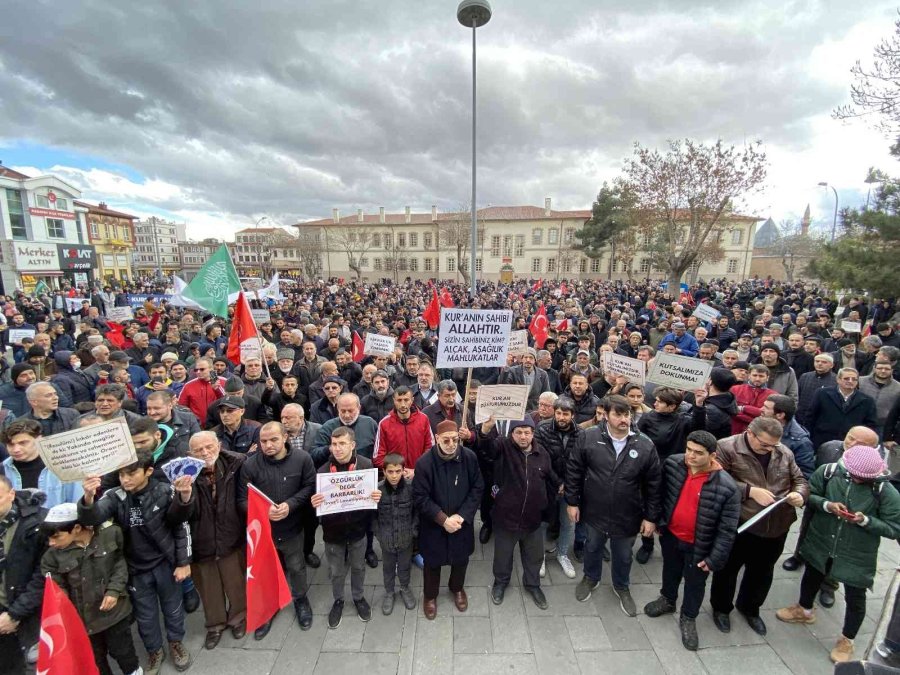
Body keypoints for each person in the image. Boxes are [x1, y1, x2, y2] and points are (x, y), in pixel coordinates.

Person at [776, 444, 900, 664]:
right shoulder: (828, 472)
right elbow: (809, 494)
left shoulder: (886, 492)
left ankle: (847, 639)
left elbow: (894, 528)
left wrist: (865, 521)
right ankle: (804, 609)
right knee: (812, 574)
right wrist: (827, 505)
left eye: (863, 479)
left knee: (855, 595)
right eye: (854, 476)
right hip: (822, 540)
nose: (857, 480)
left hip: (857, 552)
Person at [78, 450, 195, 674]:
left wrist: (183, 562)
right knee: (145, 615)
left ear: (148, 471)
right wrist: (88, 498)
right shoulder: (115, 496)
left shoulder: (165, 491)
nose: (125, 479)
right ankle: (154, 651)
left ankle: (175, 643)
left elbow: (181, 526)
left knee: (173, 608)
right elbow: (92, 517)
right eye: (121, 474)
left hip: (165, 564)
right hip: (135, 568)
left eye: (131, 474)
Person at [709, 417, 808, 637]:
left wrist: (799, 494)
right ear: (750, 433)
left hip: (777, 525)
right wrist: (749, 491)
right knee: (727, 570)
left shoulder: (783, 452)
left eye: (774, 445)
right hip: (741, 523)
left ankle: (750, 608)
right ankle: (721, 608)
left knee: (762, 572)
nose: (770, 449)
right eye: (764, 445)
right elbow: (714, 479)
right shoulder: (726, 447)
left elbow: (799, 479)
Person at [643, 431, 740, 651]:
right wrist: (657, 520)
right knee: (670, 570)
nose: (691, 456)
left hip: (700, 546)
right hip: (671, 536)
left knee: (695, 583)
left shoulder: (727, 487)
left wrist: (715, 559)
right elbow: (659, 494)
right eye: (688, 449)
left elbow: (727, 530)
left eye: (698, 453)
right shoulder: (673, 464)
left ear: (712, 456)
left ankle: (688, 617)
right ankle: (667, 599)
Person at [566, 394, 661, 616]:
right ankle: (591, 577)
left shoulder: (645, 444)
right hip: (594, 510)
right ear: (605, 416)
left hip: (628, 514)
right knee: (592, 547)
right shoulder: (588, 437)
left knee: (624, 554)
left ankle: (621, 586)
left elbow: (654, 484)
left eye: (627, 414)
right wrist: (572, 502)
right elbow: (574, 470)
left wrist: (651, 517)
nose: (624, 419)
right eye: (618, 414)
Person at [40, 503, 141, 675]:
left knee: (124, 652)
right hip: (84, 620)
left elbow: (119, 563)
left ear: (76, 528)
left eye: (57, 537)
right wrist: (62, 600)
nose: (52, 543)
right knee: (96, 660)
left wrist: (114, 591)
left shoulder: (110, 534)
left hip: (114, 613)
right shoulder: (52, 556)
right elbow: (54, 583)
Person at [237, 421, 316, 637]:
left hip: (293, 527)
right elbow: (242, 500)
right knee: (269, 570)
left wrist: (291, 504)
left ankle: (300, 599)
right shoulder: (250, 465)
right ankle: (270, 607)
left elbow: (310, 486)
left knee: (296, 567)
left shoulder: (302, 459)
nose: (268, 445)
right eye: (263, 441)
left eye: (273, 440)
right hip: (264, 532)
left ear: (285, 438)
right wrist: (264, 512)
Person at [479, 416, 559, 610]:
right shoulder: (503, 448)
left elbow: (549, 475)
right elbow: (487, 449)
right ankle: (500, 582)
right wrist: (485, 431)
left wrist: (560, 485)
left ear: (533, 433)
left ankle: (533, 585)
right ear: (511, 434)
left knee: (534, 556)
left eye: (527, 432)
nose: (523, 436)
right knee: (503, 556)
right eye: (519, 432)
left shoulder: (542, 453)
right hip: (506, 518)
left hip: (533, 519)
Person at [412, 420, 484, 620]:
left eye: (455, 439)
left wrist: (462, 515)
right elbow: (420, 497)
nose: (452, 444)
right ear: (437, 439)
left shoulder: (469, 458)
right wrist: (442, 519)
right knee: (432, 563)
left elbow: (478, 487)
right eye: (446, 440)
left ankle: (457, 588)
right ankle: (430, 596)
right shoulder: (424, 463)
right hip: (434, 525)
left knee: (461, 559)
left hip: (461, 523)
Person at [311, 427, 380, 629]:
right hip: (333, 533)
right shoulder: (322, 471)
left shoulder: (366, 465)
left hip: (359, 530)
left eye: (342, 443)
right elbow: (317, 503)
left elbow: (372, 494)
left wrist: (376, 496)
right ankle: (338, 599)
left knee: (358, 567)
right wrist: (314, 503)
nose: (338, 448)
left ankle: (358, 597)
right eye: (334, 444)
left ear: (353, 445)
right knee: (336, 571)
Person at [183, 431, 247, 650]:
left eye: (209, 447)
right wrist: (183, 496)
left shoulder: (236, 463)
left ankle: (238, 617)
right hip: (201, 540)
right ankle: (215, 624)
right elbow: (176, 515)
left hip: (230, 535)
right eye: (198, 450)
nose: (205, 452)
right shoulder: (181, 473)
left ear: (219, 445)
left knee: (235, 581)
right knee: (208, 587)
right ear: (189, 454)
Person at [0, 476, 48, 675]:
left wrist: (15, 614)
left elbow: (44, 574)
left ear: (11, 494)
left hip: (29, 616)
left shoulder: (37, 523)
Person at [534, 397, 582, 579]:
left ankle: (562, 554)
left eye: (566, 414)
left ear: (573, 415)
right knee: (543, 522)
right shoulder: (543, 428)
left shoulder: (580, 434)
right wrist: (557, 482)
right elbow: (541, 459)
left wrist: (568, 484)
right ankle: (540, 556)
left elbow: (580, 462)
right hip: (547, 484)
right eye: (559, 413)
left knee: (568, 522)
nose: (561, 417)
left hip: (570, 486)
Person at [0, 419, 82, 507]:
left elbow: (77, 503)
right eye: (11, 445)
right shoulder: (3, 469)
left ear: (39, 439)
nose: (16, 449)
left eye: (23, 443)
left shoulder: (66, 465)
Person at [375, 453, 418, 615]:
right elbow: (372, 516)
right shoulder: (377, 490)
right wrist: (379, 534)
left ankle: (405, 588)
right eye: (390, 472)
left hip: (406, 538)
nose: (394, 476)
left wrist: (413, 531)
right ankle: (389, 592)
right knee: (388, 567)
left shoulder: (411, 488)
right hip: (386, 539)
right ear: (384, 471)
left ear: (403, 470)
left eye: (398, 471)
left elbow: (417, 512)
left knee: (405, 566)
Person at [807, 368, 880, 449]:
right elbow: (811, 417)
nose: (850, 381)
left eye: (854, 379)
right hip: (822, 441)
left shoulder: (867, 400)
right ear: (838, 379)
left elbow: (871, 425)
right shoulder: (822, 394)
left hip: (852, 444)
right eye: (846, 378)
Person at [373, 386, 435, 471]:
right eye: (399, 400)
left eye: (406, 400)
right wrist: (397, 471)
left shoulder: (424, 419)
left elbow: (430, 449)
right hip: (395, 476)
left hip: (419, 473)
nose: (402, 404)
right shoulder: (384, 424)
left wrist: (417, 470)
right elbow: (378, 457)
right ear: (394, 400)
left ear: (412, 400)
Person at [177, 358, 226, 426]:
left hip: (219, 424)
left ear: (211, 369)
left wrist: (217, 390)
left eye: (202, 369)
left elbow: (228, 401)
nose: (198, 372)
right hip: (196, 425)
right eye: (196, 370)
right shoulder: (188, 385)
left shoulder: (224, 382)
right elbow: (181, 406)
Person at [730, 364, 776, 435]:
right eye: (754, 375)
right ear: (749, 376)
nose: (757, 379)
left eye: (761, 376)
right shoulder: (735, 389)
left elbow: (768, 416)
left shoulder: (773, 395)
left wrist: (743, 408)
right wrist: (755, 415)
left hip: (757, 433)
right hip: (734, 431)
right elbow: (731, 411)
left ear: (767, 378)